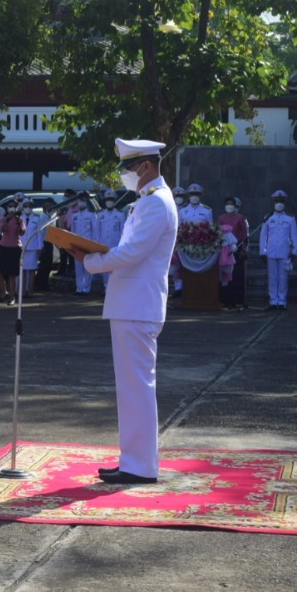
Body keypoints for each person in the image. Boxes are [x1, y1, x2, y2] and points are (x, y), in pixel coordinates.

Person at [70, 137, 177, 485]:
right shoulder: (148, 200)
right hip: (133, 304)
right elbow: (130, 250)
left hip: (137, 305)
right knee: (132, 389)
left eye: (128, 168)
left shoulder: (155, 203)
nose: (124, 175)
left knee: (137, 388)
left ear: (145, 166)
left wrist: (90, 261)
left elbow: (132, 253)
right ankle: (134, 461)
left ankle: (140, 465)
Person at [258, 190, 297, 310]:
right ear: (273, 202)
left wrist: (294, 251)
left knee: (283, 278)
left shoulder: (290, 218)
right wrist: (262, 252)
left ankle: (282, 301)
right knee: (272, 277)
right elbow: (263, 236)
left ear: (284, 203)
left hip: (284, 252)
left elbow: (294, 236)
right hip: (271, 251)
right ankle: (273, 301)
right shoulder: (268, 218)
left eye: (281, 201)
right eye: (277, 201)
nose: (279, 203)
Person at [216, 195, 249, 309]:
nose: (229, 206)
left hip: (236, 248)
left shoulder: (240, 217)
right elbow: (217, 233)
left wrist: (244, 249)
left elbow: (244, 235)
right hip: (224, 249)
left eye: (231, 204)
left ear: (235, 206)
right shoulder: (221, 218)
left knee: (235, 275)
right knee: (224, 274)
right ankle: (224, 299)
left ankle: (235, 300)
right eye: (227, 204)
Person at [95, 190, 125, 291]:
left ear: (114, 200)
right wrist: (97, 245)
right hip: (103, 245)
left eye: (111, 199)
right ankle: (106, 288)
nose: (109, 201)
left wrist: (121, 245)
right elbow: (97, 231)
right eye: (107, 199)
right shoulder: (101, 215)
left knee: (115, 267)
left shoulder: (120, 214)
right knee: (105, 267)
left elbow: (122, 231)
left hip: (115, 245)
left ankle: (115, 288)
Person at [0, 200, 24, 304]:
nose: (12, 208)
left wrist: (18, 223)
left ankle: (12, 297)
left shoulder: (19, 220)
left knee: (12, 274)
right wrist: (7, 220)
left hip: (15, 247)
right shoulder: (3, 219)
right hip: (4, 247)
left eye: (13, 206)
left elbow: (22, 232)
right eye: (10, 206)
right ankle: (4, 292)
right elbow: (2, 229)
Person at [71, 199, 99, 295]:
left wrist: (94, 245)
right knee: (78, 267)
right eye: (79, 201)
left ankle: (86, 288)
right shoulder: (74, 215)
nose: (80, 203)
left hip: (87, 244)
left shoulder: (91, 215)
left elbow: (95, 231)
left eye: (82, 201)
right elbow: (72, 231)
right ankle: (79, 288)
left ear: (85, 202)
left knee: (87, 266)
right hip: (77, 244)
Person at [20, 202, 46, 298]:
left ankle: (30, 290)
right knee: (22, 269)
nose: (28, 208)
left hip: (33, 246)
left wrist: (40, 246)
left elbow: (39, 234)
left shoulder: (37, 218)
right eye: (26, 206)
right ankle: (22, 290)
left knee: (32, 269)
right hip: (22, 246)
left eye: (30, 206)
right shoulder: (20, 218)